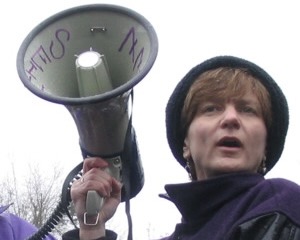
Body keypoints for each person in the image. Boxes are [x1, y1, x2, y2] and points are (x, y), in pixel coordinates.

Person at [63, 55, 300, 239]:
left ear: (266, 144)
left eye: (248, 110)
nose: (231, 118)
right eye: (211, 108)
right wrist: (91, 227)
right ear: (185, 143)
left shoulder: (282, 205)